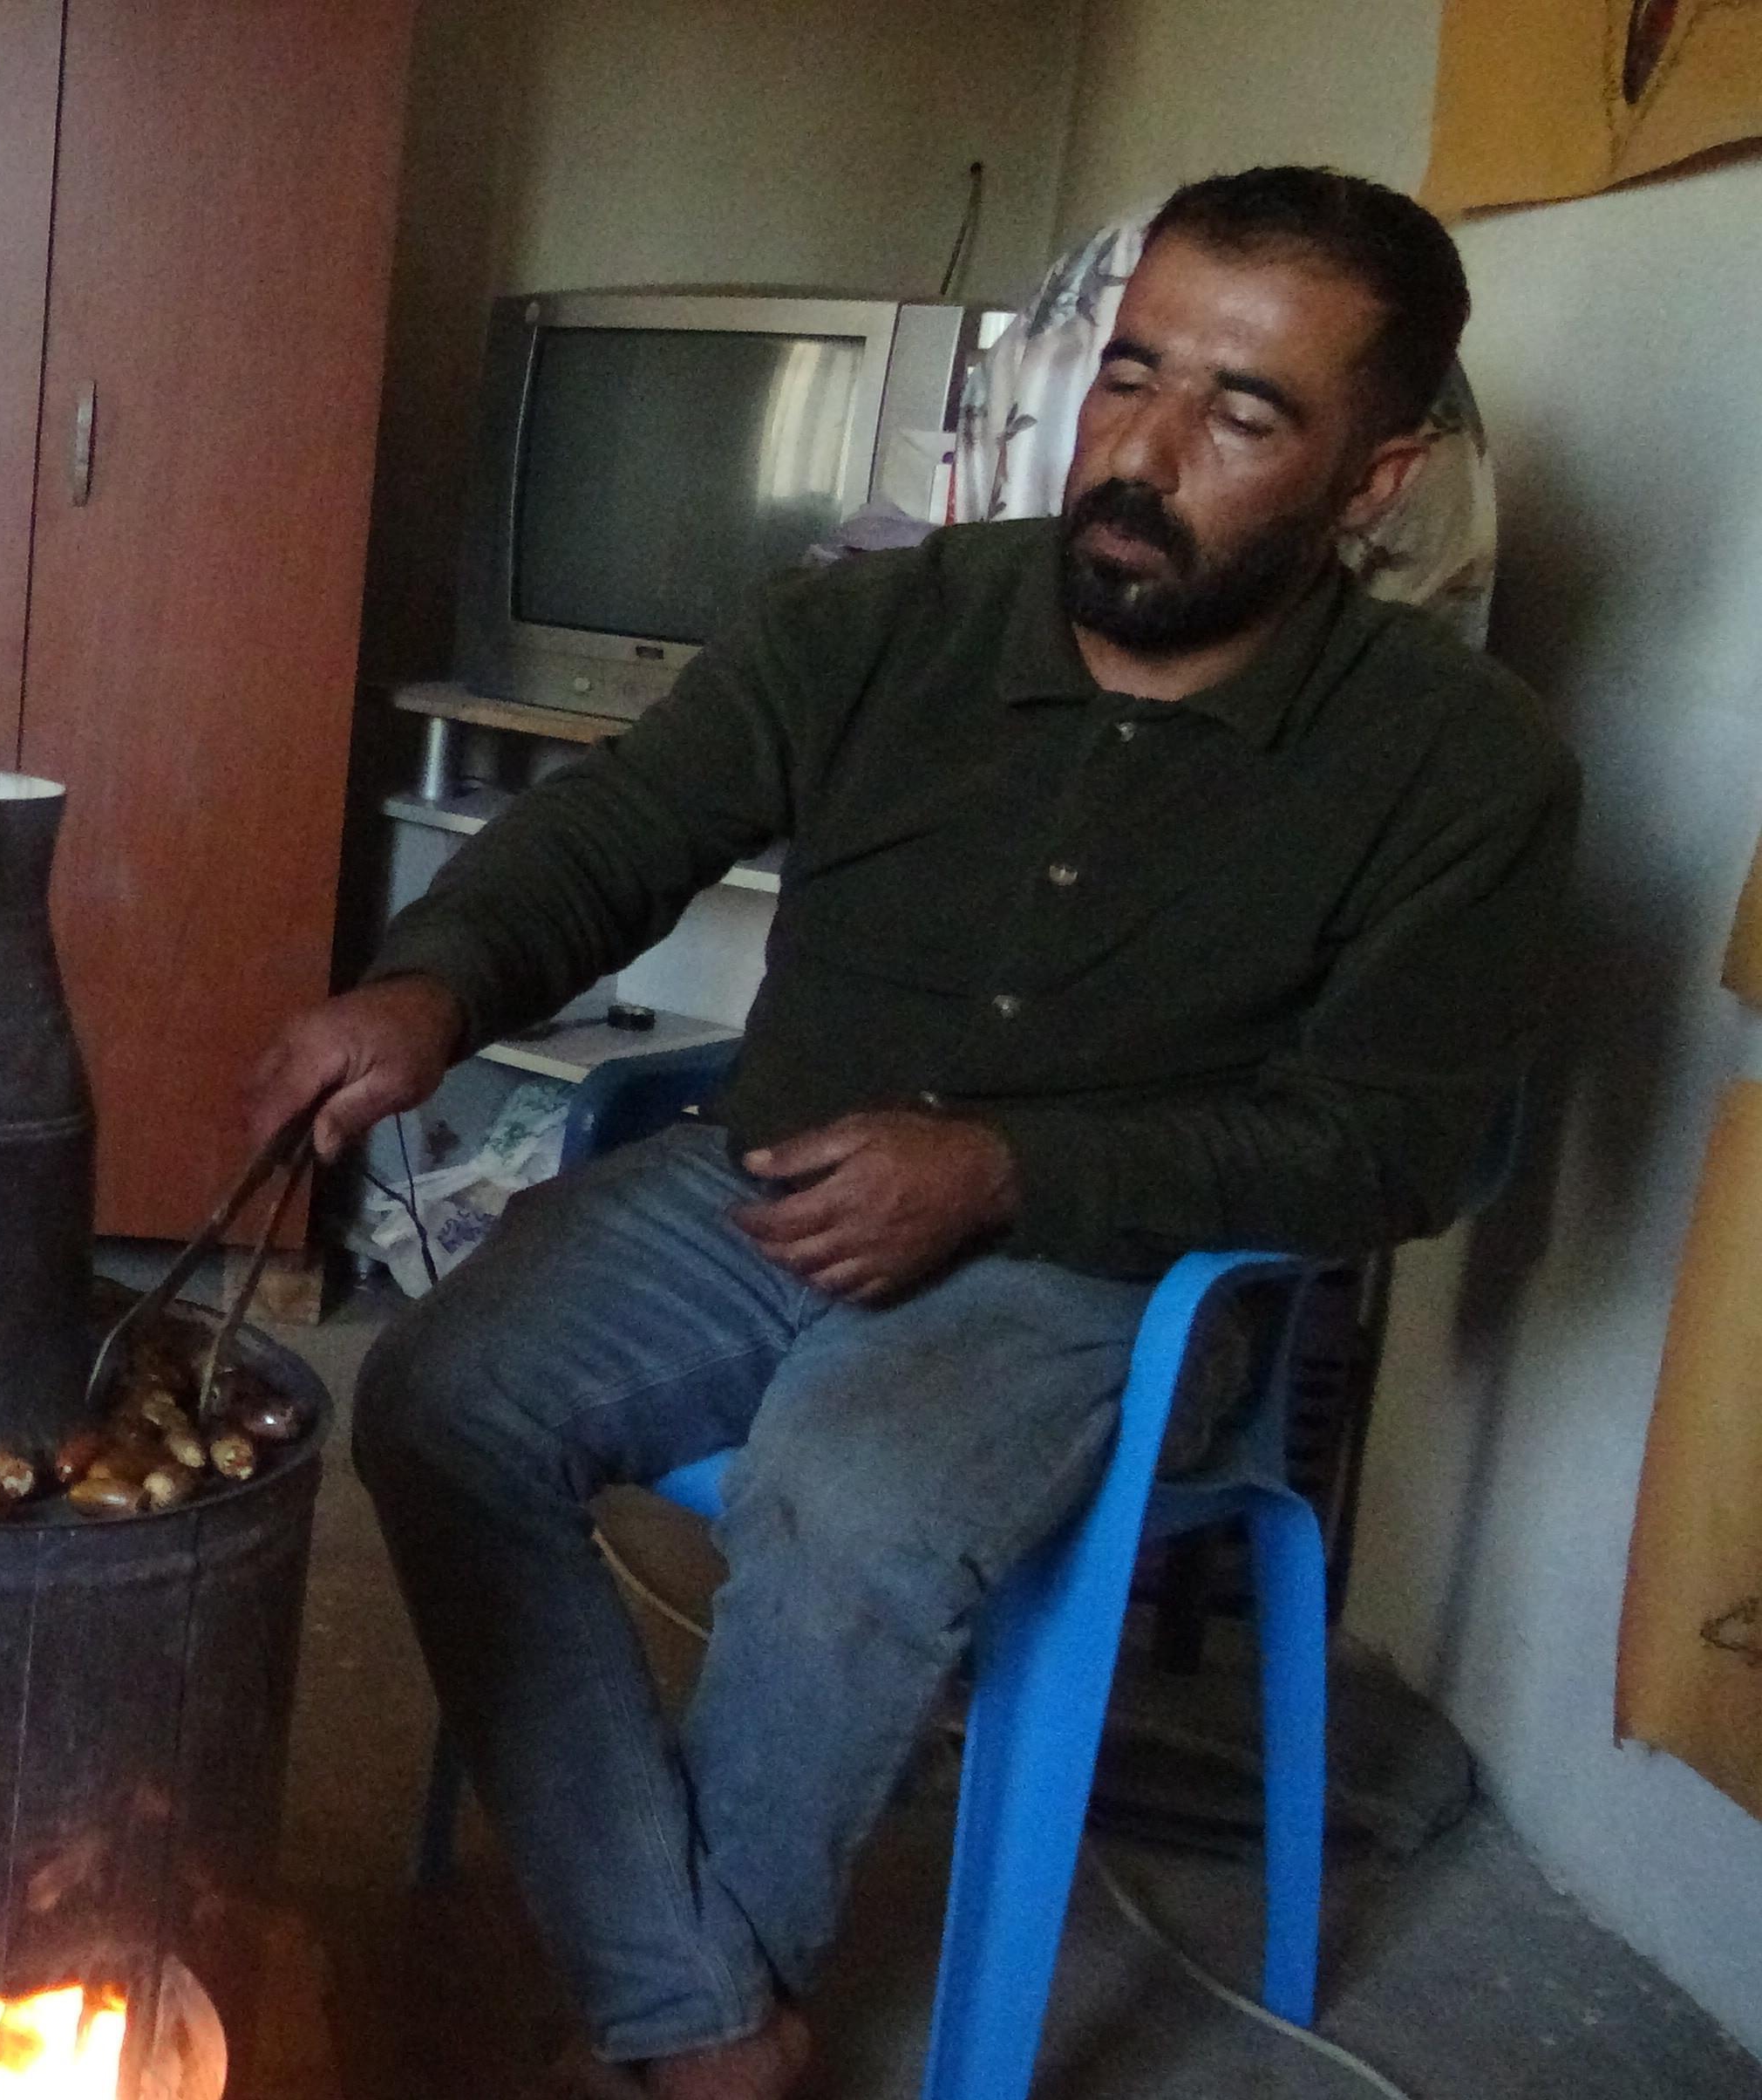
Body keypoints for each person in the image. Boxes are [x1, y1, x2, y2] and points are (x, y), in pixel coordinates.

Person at [246, 167, 1575, 2100]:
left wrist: (1010, 1170)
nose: (1140, 454)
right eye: (1131, 374)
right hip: (767, 1176)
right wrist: (429, 989)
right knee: (440, 1399)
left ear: (1370, 481)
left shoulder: (1458, 765)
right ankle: (701, 2011)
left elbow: (1393, 1147)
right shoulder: (885, 622)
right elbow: (618, 830)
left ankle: (675, 2040)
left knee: (848, 1497)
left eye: (1240, 414)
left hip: (1101, 1274)